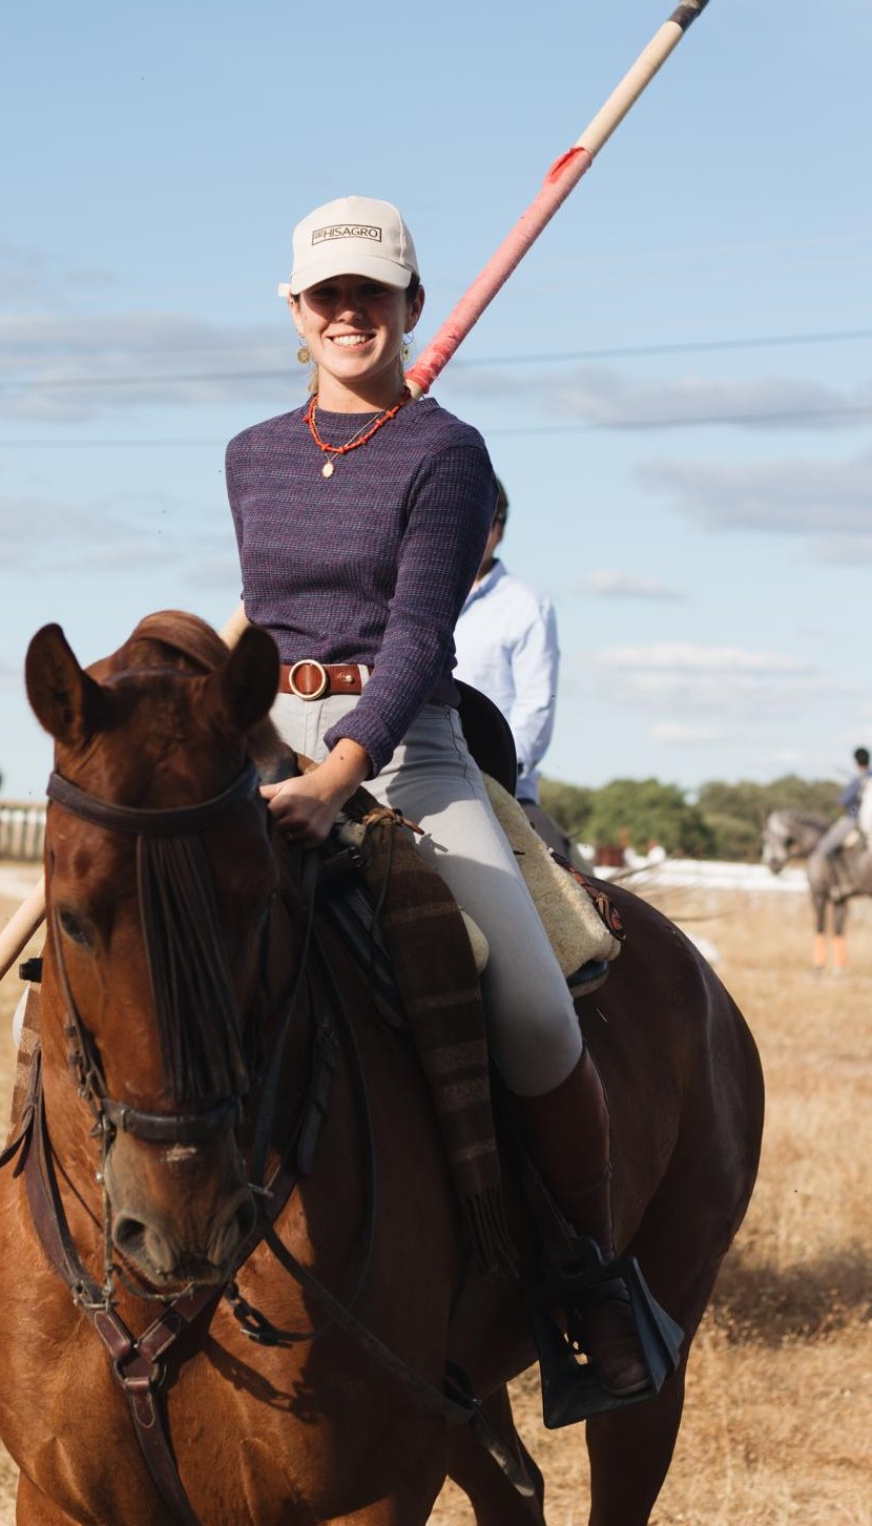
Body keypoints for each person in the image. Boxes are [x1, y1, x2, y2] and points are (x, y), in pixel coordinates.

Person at [223, 195, 651, 1401]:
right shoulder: (248, 453)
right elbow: (263, 620)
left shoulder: (447, 452)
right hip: (263, 738)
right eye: (325, 295)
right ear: (294, 313)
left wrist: (335, 773)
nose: (347, 312)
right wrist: (248, 743)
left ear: (410, 305)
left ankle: (584, 1278)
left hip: (405, 745)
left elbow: (417, 637)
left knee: (530, 1012)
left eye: (371, 292)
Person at [454, 480, 574, 858]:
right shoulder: (412, 595)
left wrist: (494, 772)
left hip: (502, 786)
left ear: (499, 530)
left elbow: (536, 707)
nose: (469, 532)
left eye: (482, 522)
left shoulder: (527, 606)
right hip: (416, 771)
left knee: (561, 902)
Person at [820, 746, 870, 894]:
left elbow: (843, 802)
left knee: (825, 847)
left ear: (856, 762)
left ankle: (842, 882)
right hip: (865, 817)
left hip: (855, 816)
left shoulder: (859, 780)